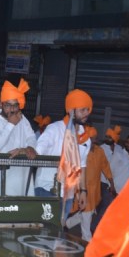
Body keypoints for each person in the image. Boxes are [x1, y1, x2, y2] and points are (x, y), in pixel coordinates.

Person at [35, 89, 94, 217]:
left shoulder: (85, 138)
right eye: (82, 110)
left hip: (69, 194)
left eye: (87, 110)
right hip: (47, 189)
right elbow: (39, 149)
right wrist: (33, 151)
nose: (86, 113)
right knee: (43, 232)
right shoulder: (55, 129)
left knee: (58, 232)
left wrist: (83, 191)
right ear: (70, 111)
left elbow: (82, 167)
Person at [0, 79, 38, 196]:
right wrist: (11, 124)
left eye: (15, 105)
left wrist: (30, 147)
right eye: (8, 105)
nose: (12, 109)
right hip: (4, 178)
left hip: (22, 175)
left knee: (22, 212)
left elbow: (31, 136)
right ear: (1, 104)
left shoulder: (22, 118)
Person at [65, 127, 116, 240]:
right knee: (87, 214)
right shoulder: (80, 150)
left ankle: (67, 224)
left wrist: (112, 184)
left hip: (95, 189)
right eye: (91, 139)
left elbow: (106, 167)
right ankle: (87, 239)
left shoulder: (99, 151)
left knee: (88, 211)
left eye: (94, 139)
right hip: (82, 188)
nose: (93, 141)